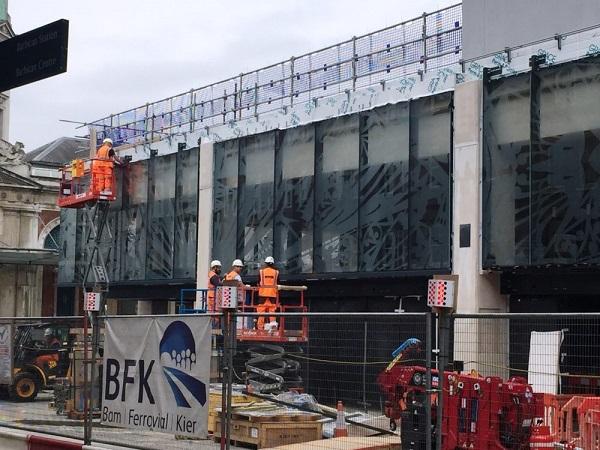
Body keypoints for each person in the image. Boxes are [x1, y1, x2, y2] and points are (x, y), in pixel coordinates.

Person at [257, 256, 279, 331]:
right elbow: (278, 283)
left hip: (262, 294)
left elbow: (258, 282)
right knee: (272, 311)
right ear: (273, 264)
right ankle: (273, 327)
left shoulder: (261, 272)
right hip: (272, 294)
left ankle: (260, 329)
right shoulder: (276, 272)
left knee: (261, 311)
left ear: (266, 263)